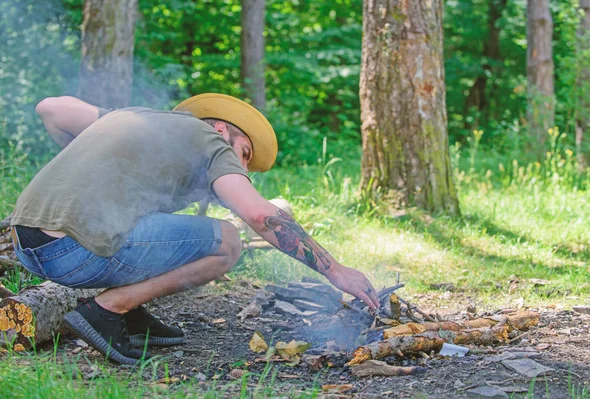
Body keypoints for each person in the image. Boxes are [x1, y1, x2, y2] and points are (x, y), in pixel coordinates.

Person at [10, 93, 380, 365]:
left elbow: (51, 108)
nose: (244, 169)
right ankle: (108, 309)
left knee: (170, 227)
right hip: (72, 252)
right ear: (221, 129)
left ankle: (129, 312)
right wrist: (337, 272)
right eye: (245, 154)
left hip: (26, 244)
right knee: (227, 242)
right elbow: (258, 216)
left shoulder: (136, 116)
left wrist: (100, 171)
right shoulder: (212, 141)